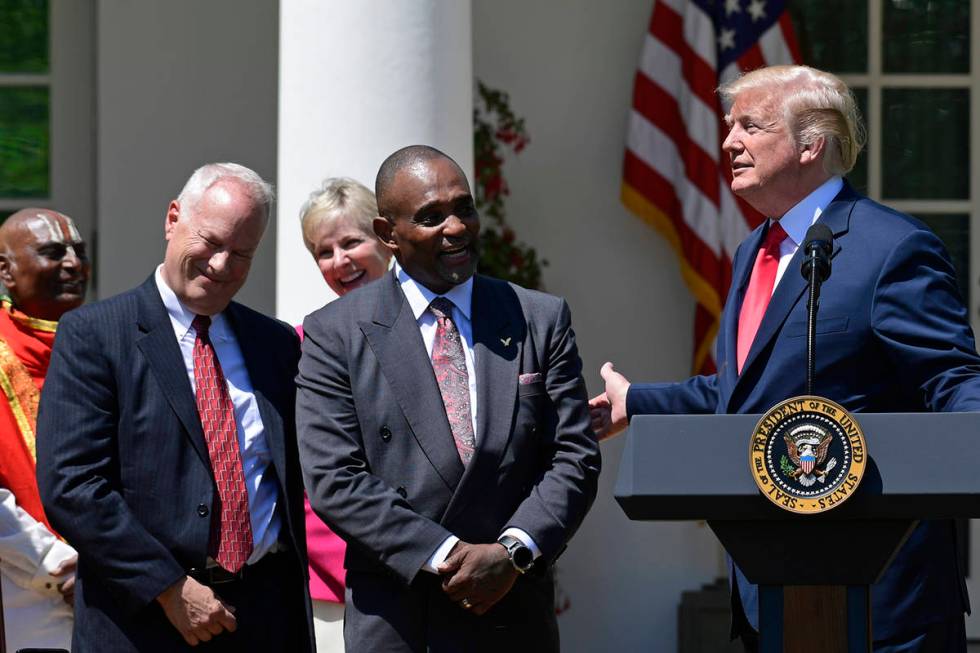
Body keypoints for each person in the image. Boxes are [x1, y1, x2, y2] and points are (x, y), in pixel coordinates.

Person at [592, 64, 980, 652]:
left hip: (882, 601)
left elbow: (952, 381)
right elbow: (747, 390)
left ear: (811, 145)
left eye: (751, 125)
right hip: (770, 586)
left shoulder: (892, 248)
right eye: (728, 127)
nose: (728, 142)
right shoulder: (755, 249)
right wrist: (635, 403)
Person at [297, 145, 601, 652]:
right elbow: (334, 478)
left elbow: (573, 455)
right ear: (388, 235)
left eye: (464, 208)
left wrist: (511, 552)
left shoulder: (537, 318)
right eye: (431, 217)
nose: (456, 228)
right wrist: (446, 555)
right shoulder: (336, 333)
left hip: (512, 607)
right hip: (400, 613)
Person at [35, 163, 314, 652]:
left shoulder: (274, 344)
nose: (222, 266)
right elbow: (72, 484)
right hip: (144, 619)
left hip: (265, 616)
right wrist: (168, 587)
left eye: (242, 254)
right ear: (172, 219)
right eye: (211, 241)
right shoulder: (96, 336)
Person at [297, 177, 392, 652]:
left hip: (439, 575)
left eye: (352, 242)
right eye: (324, 251)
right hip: (334, 585)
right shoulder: (301, 344)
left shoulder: (440, 332)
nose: (340, 261)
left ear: (386, 239)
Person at [0, 208, 89, 651]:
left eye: (79, 251)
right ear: (6, 271)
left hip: (117, 582)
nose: (73, 263)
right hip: (22, 586)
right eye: (54, 253)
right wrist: (58, 564)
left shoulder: (112, 340)